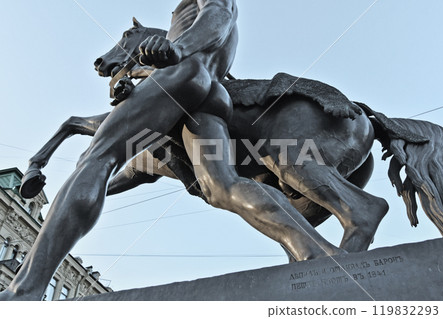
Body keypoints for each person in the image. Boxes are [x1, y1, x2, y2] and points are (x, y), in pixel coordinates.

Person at [0, 0, 343, 300]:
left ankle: (25, 290)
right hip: (211, 92)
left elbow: (218, 14)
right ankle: (317, 252)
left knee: (96, 158)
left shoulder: (195, 17)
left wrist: (178, 48)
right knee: (221, 187)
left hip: (180, 74)